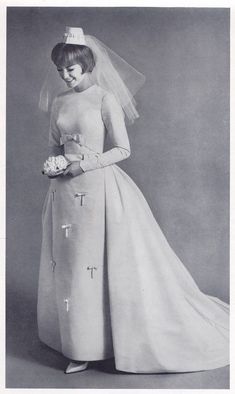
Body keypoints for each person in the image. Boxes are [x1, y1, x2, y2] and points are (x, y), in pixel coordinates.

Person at [37, 27, 229, 375]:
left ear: (86, 65)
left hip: (98, 192)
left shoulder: (104, 99)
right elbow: (55, 144)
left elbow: (123, 149)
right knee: (69, 268)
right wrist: (54, 165)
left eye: (71, 69)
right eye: (60, 71)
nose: (65, 76)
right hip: (63, 194)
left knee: (94, 266)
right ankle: (78, 343)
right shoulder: (60, 102)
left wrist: (83, 164)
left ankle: (106, 341)